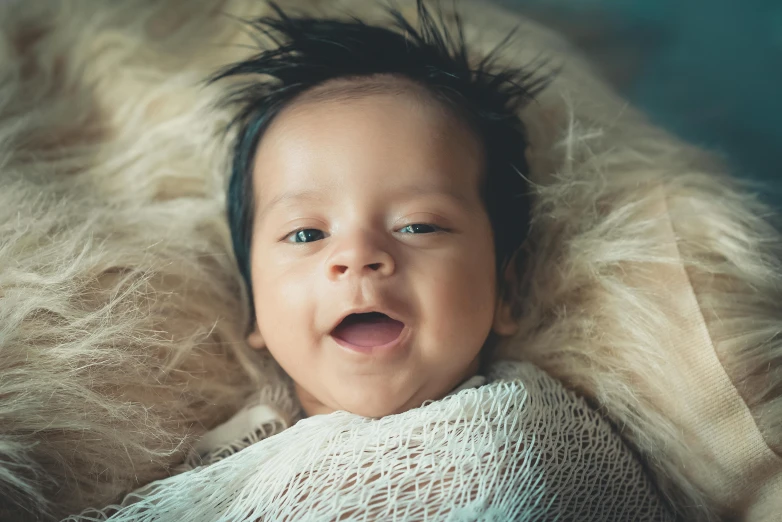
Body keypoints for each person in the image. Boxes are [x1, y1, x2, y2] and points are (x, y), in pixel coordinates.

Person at [213, 0, 545, 423]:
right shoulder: (220, 462)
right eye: (306, 234)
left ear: (507, 291)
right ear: (253, 307)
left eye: (417, 226)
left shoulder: (536, 428)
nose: (357, 254)